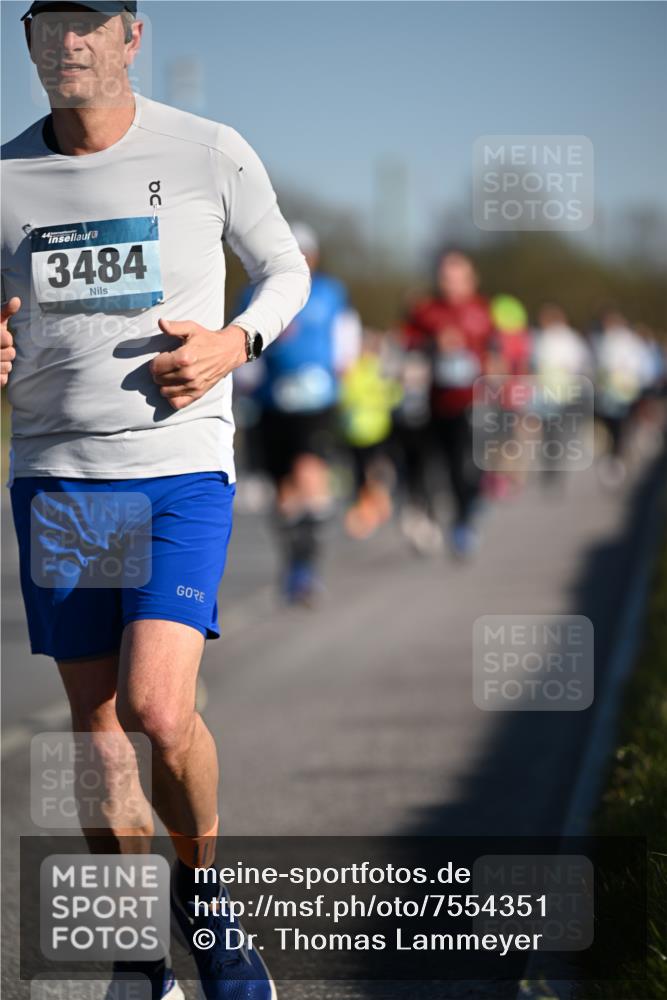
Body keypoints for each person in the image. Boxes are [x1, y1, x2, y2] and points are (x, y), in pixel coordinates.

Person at [1, 3, 310, 998]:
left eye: (91, 24)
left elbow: (286, 270)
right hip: (58, 472)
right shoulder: (4, 180)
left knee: (159, 709)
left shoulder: (207, 150)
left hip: (178, 463)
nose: (71, 44)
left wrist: (235, 343)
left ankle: (207, 901)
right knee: (95, 730)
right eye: (50, 25)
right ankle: (143, 954)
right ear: (30, 43)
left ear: (131, 36)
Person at [237, 223, 360, 603]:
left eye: (306, 251)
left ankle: (308, 565)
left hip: (316, 405)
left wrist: (334, 377)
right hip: (271, 404)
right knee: (284, 493)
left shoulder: (329, 292)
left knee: (311, 476)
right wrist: (248, 382)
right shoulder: (253, 294)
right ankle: (293, 563)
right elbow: (243, 347)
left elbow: (346, 343)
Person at [402, 250, 495, 557]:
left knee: (465, 465)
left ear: (471, 279)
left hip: (470, 401)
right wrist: (433, 344)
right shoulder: (426, 311)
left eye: (457, 277)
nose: (451, 284)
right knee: (429, 465)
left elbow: (496, 349)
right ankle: (428, 517)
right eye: (445, 277)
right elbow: (407, 343)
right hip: (433, 401)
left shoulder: (482, 310)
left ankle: (463, 520)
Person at [339, 328, 402, 539]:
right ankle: (371, 510)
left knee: (371, 475)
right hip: (361, 432)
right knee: (367, 476)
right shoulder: (359, 369)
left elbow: (391, 394)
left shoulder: (366, 369)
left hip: (371, 431)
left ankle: (373, 509)